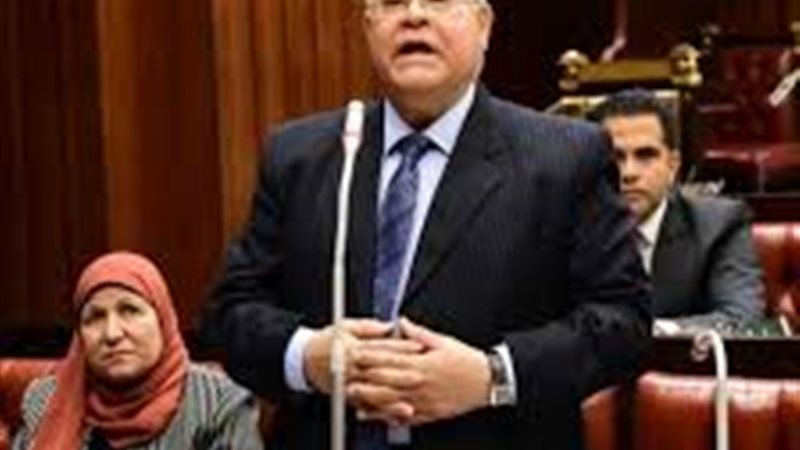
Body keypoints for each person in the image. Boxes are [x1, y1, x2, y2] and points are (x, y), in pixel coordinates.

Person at [203, 0, 651, 449]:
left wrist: (492, 376)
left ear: (483, 26)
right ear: (369, 26)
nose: (414, 15)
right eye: (393, 2)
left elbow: (623, 323)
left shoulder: (565, 157)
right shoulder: (301, 155)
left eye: (438, 0)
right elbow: (229, 314)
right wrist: (305, 357)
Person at [12, 252, 264, 450]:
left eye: (130, 311)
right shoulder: (45, 402)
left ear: (163, 321)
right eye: (95, 317)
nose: (112, 333)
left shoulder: (219, 405)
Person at [588, 89, 765, 334]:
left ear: (672, 166)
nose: (629, 173)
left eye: (645, 155)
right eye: (615, 158)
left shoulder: (718, 225)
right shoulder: (565, 226)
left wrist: (656, 332)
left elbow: (741, 318)